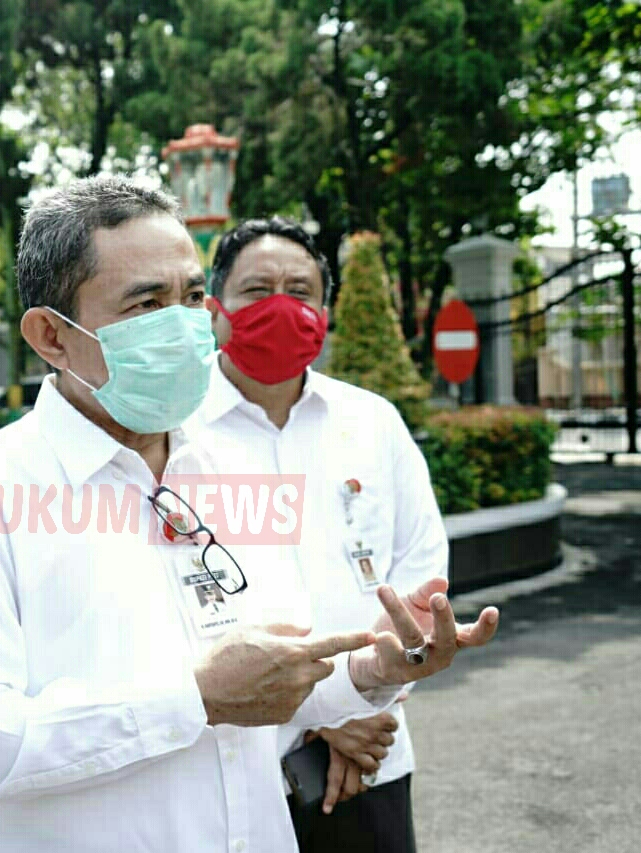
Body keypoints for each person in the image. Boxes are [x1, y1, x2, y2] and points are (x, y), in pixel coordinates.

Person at [0, 176, 498, 853]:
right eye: (146, 303)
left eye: (191, 297)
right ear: (52, 336)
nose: (183, 325)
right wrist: (193, 698)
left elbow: (274, 676)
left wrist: (370, 673)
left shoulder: (233, 465)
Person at [186, 217, 451, 853]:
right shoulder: (177, 435)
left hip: (372, 753)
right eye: (258, 290)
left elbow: (421, 571)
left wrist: (365, 698)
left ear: (324, 314)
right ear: (215, 310)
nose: (280, 305)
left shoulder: (373, 421)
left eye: (300, 291)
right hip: (237, 765)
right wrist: (318, 714)